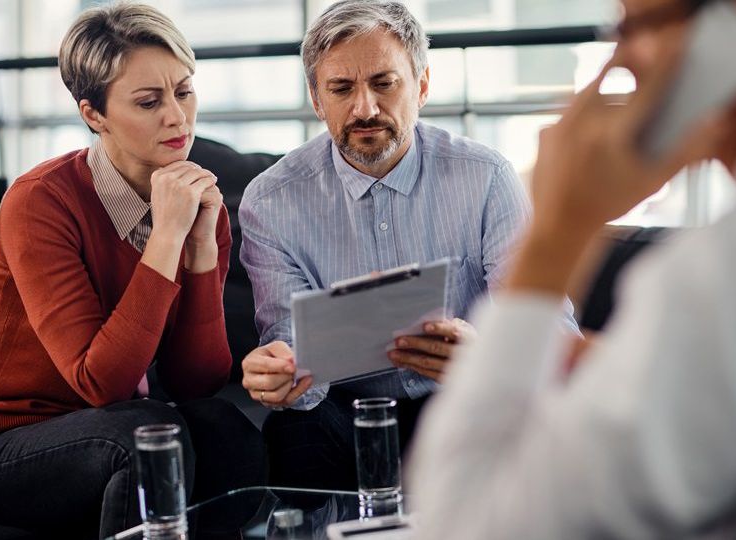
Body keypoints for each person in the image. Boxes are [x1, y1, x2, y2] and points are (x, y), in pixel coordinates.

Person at [409, 0, 736, 537]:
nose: (622, 65)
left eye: (637, 26)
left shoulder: (732, 270)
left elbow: (461, 523)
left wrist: (556, 233)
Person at [0, 4, 265, 538]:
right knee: (144, 433)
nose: (177, 117)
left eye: (184, 90)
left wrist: (199, 247)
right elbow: (101, 383)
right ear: (94, 114)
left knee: (226, 430)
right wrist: (167, 238)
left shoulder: (195, 203)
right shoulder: (40, 202)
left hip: (104, 430)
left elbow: (195, 382)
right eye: (149, 101)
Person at [238, 0, 577, 490]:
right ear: (316, 100)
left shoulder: (486, 177)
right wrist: (282, 374)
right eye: (341, 89)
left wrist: (487, 355)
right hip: (344, 412)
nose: (365, 109)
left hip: (464, 401)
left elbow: (550, 326)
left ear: (420, 86)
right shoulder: (270, 201)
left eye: (384, 83)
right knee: (293, 431)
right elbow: (289, 339)